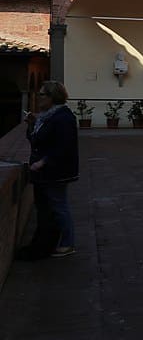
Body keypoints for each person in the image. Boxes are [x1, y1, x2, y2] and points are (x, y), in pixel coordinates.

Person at [23, 80, 80, 258]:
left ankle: (68, 243)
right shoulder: (46, 116)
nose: (39, 98)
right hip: (47, 172)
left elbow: (63, 146)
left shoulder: (62, 117)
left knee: (59, 205)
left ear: (52, 97)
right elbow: (36, 140)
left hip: (56, 171)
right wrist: (32, 124)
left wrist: (44, 162)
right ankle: (54, 241)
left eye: (42, 94)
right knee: (52, 206)